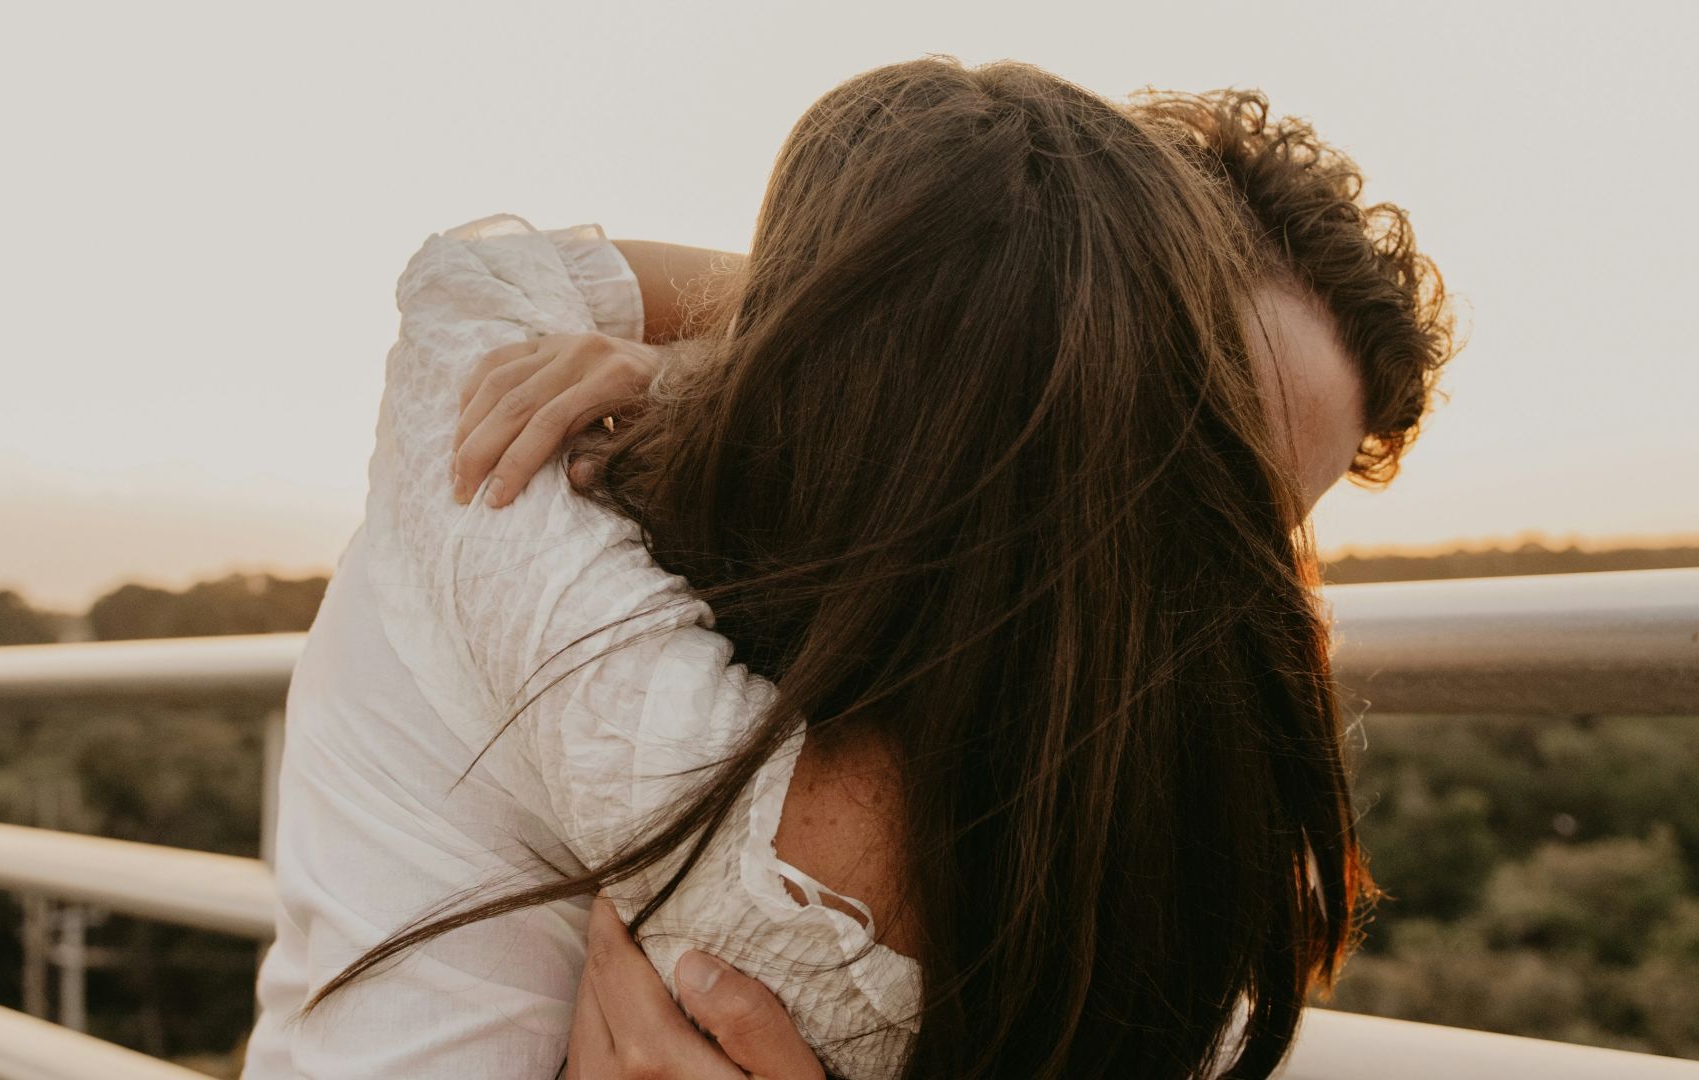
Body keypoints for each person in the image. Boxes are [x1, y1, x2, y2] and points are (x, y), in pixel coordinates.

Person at [243, 57, 1454, 1080]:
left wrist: (751, 340)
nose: (1198, 579)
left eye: (1261, 532)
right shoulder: (582, 568)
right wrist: (771, 337)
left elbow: (480, 286)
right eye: (1186, 453)